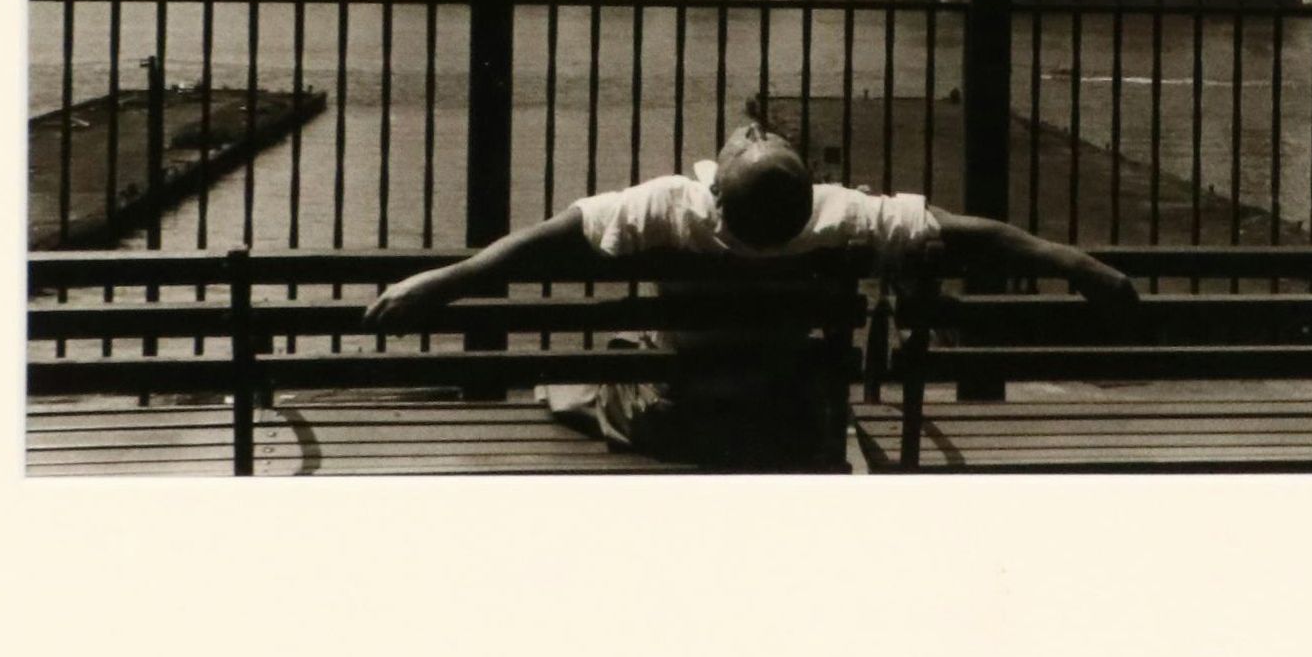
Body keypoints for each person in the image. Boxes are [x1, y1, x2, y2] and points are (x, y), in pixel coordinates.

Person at [361, 117, 1137, 468]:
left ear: (719, 197)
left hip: (684, 419)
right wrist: (1079, 265)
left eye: (753, 137)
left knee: (581, 375)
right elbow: (975, 234)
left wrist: (443, 281)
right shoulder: (838, 215)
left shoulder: (669, 205)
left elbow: (546, 239)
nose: (752, 129)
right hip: (791, 424)